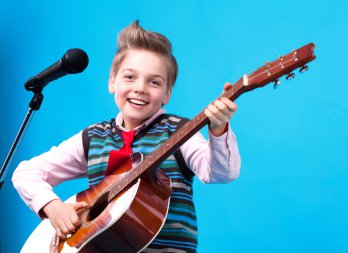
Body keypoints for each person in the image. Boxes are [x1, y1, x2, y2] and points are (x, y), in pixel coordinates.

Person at [12, 20, 241, 252]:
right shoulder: (94, 138)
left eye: (154, 82)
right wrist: (53, 207)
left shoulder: (181, 132)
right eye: (130, 77)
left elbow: (220, 172)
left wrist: (218, 130)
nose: (140, 88)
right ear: (112, 81)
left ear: (167, 94)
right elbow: (26, 172)